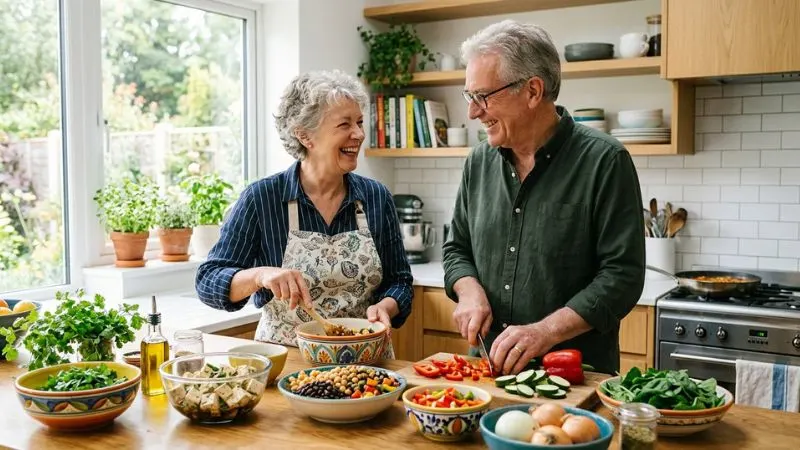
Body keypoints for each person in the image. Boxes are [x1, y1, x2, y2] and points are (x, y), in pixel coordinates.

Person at [443, 20, 645, 376]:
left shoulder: (605, 161)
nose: (473, 112)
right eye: (469, 97)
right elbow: (457, 249)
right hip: (487, 369)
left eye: (482, 97)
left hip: (573, 375)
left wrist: (545, 332)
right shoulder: (478, 161)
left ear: (533, 91)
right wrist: (469, 291)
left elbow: (622, 277)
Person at [195, 70, 413, 357]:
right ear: (304, 135)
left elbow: (400, 281)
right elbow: (208, 281)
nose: (359, 134)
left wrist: (386, 306)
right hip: (287, 359)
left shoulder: (376, 197)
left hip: (366, 358)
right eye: (344, 124)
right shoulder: (262, 198)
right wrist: (260, 275)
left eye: (359, 122)